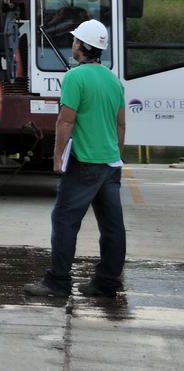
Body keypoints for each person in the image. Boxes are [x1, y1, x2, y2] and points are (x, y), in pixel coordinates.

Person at [25, 19, 126, 299]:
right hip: (110, 165)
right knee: (112, 227)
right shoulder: (113, 81)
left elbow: (65, 121)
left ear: (81, 46)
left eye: (75, 41)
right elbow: (121, 125)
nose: (72, 44)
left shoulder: (74, 78)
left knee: (65, 221)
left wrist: (58, 158)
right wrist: (116, 154)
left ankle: (57, 282)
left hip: (84, 162)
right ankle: (106, 284)